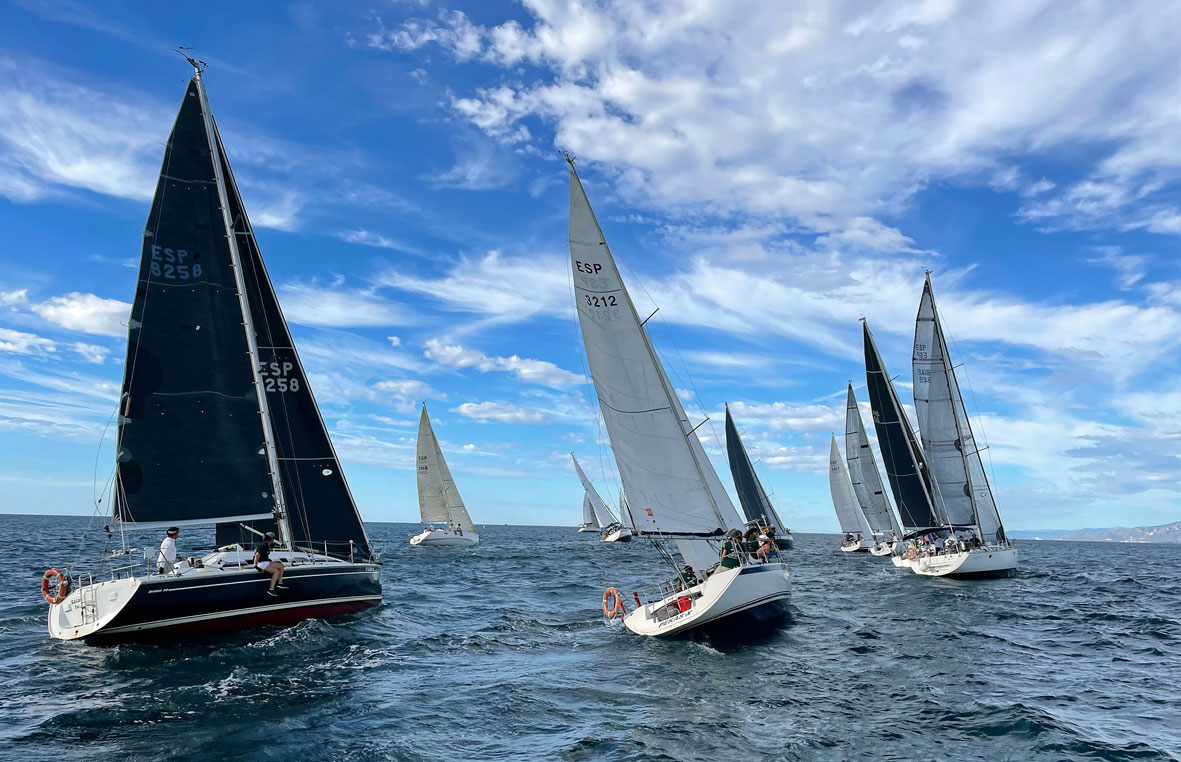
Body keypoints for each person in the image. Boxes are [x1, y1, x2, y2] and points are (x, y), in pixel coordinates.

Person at [254, 531, 287, 597]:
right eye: (273, 539)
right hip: (261, 563)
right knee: (276, 572)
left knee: (281, 566)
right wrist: (255, 565)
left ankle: (280, 583)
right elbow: (257, 555)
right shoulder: (264, 546)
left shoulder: (268, 545)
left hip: (265, 562)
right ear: (270, 539)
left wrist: (269, 560)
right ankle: (271, 589)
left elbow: (264, 555)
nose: (274, 540)